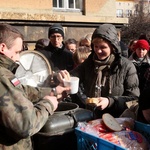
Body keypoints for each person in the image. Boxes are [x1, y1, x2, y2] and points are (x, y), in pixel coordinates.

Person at [0, 23, 70, 150]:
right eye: (16, 52)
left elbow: (20, 90)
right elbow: (26, 125)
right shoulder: (2, 76)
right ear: (3, 47)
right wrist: (48, 104)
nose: (18, 59)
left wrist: (53, 91)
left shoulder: (5, 73)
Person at [58, 24, 140, 118]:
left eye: (103, 47)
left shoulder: (126, 66)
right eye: (96, 46)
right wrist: (61, 76)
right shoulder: (89, 63)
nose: (98, 51)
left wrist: (110, 101)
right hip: (90, 118)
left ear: (113, 47)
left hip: (116, 120)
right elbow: (72, 76)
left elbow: (133, 99)